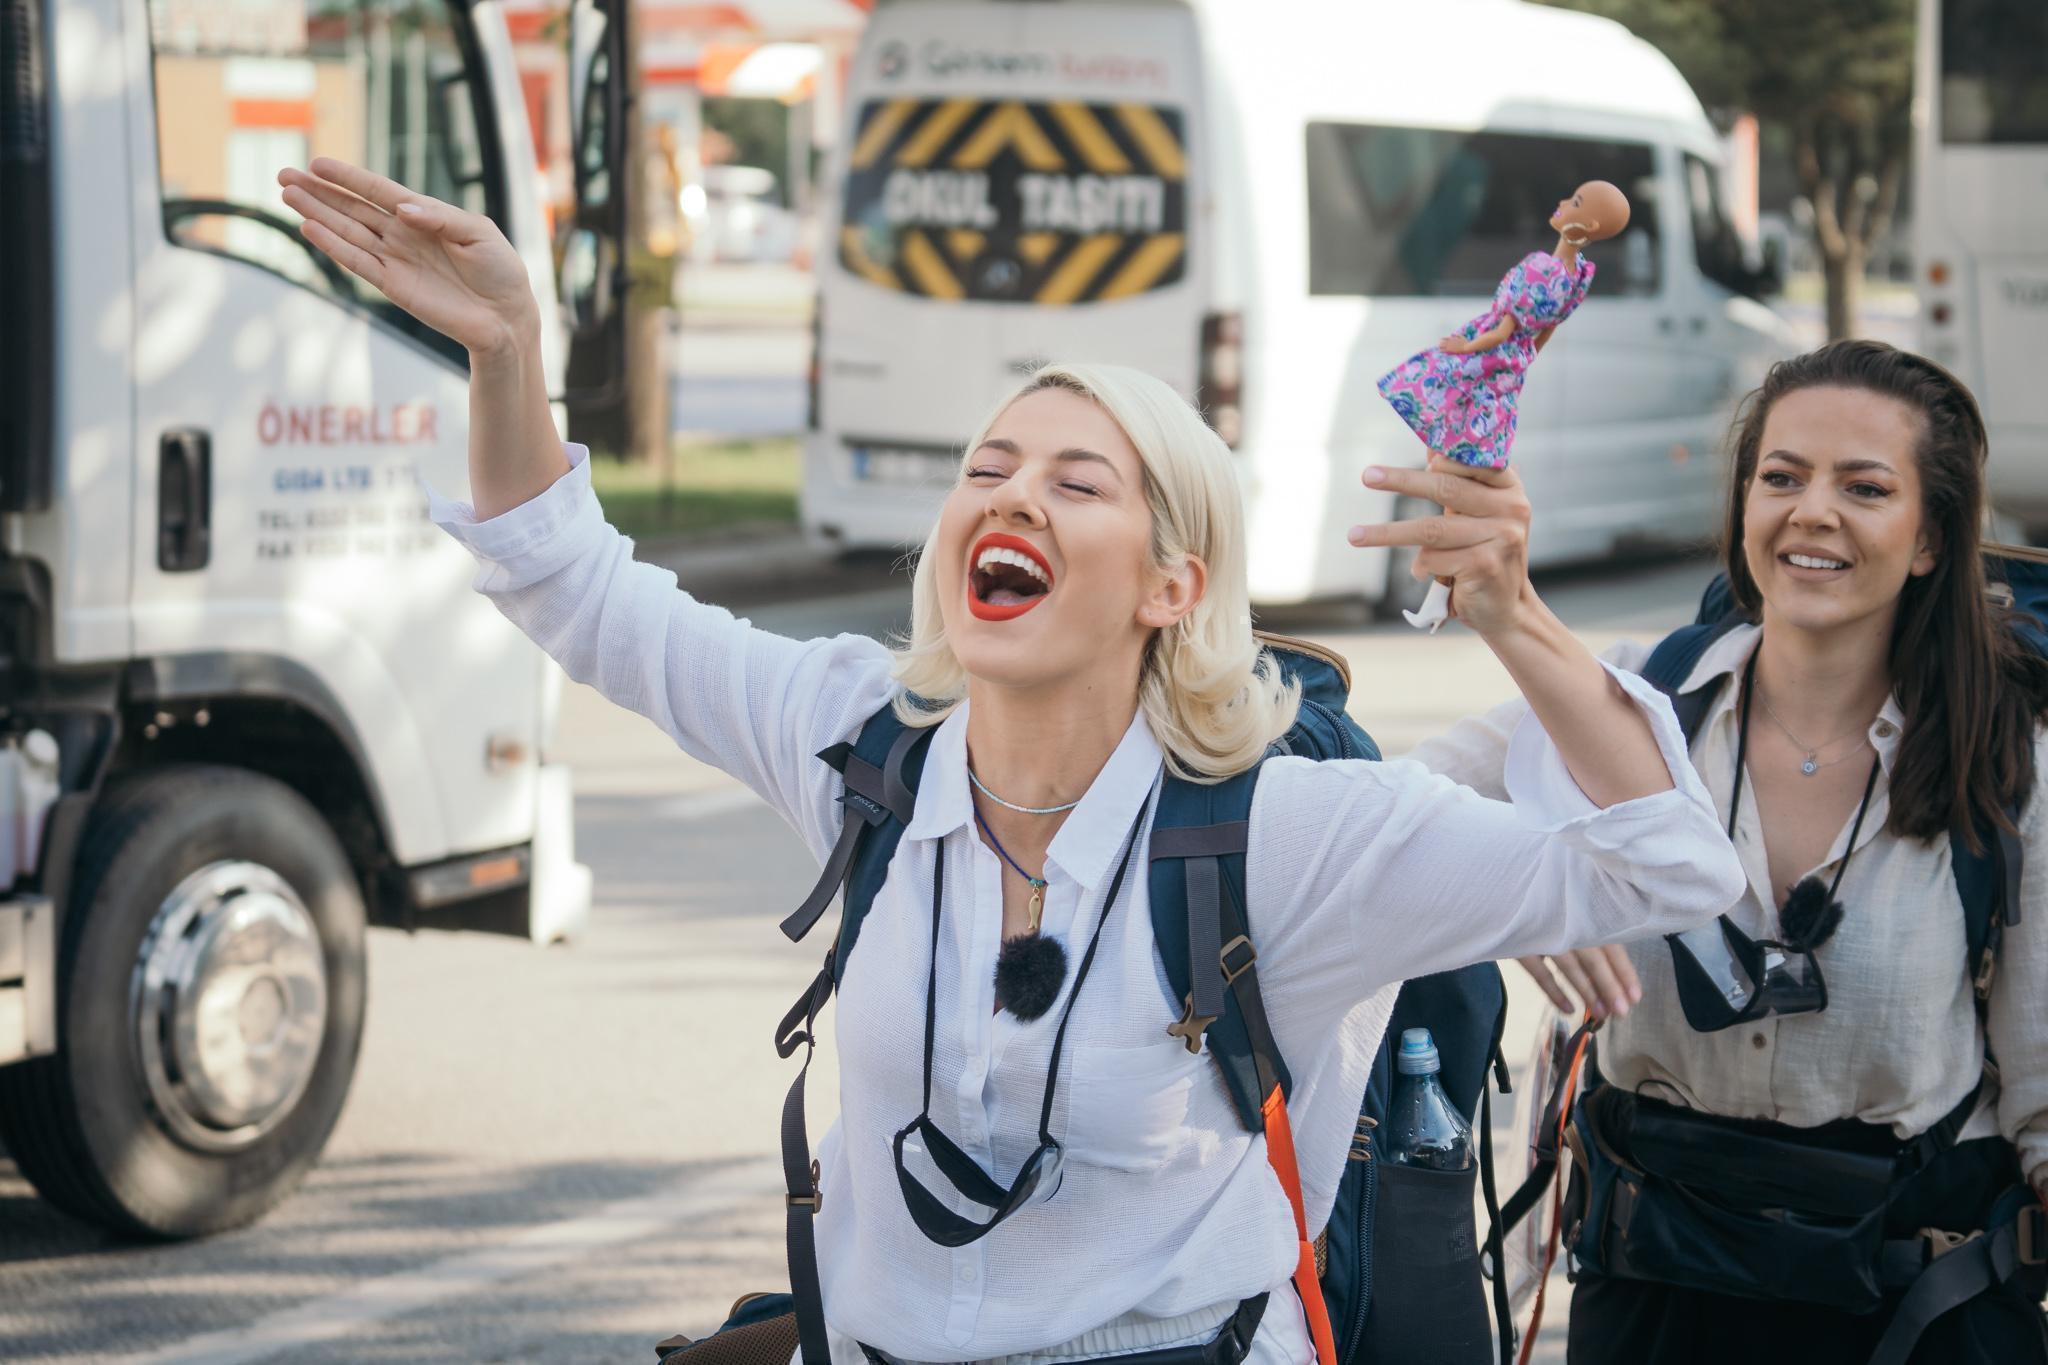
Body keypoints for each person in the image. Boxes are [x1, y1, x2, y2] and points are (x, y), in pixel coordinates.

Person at [274, 156, 1743, 1365]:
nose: (1011, 496)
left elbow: (1673, 866)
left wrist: (1510, 614)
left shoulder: (1294, 833)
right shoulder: (863, 745)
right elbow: (578, 592)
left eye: (1074, 481)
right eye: (987, 470)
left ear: (1171, 584)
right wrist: (508, 353)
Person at [1409, 340, 2048, 1363]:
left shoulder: (2010, 759)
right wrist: (1522, 888)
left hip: (1915, 1305)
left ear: (1930, 538)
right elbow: (1385, 816)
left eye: (1864, 487)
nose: (1811, 512)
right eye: (1780, 477)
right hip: (1656, 1291)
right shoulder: (1632, 701)